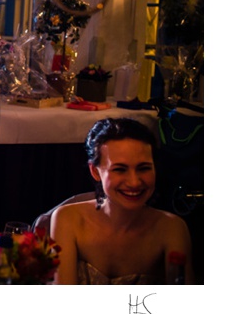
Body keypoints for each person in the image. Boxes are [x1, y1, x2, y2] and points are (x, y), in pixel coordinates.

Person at [50, 117, 194, 284]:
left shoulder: (172, 228)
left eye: (144, 168)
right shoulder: (68, 220)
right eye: (119, 169)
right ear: (95, 172)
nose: (134, 182)